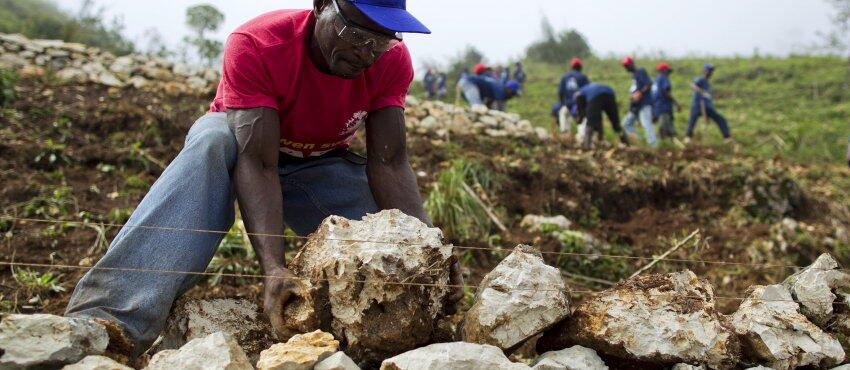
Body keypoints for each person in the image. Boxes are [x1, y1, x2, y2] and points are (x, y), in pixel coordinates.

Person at [65, 0, 463, 360]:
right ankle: (108, 321)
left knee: (394, 254)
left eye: (381, 41)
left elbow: (390, 163)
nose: (366, 52)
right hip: (242, 149)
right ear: (322, 5)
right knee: (210, 142)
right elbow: (258, 163)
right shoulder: (258, 43)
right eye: (356, 35)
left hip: (319, 163)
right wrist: (273, 268)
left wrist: (429, 248)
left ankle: (373, 343)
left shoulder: (388, 60)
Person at [573, 83, 629, 149]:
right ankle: (626, 143)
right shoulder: (588, 89)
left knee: (590, 123)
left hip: (595, 96)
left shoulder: (579, 94)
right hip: (610, 94)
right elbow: (598, 118)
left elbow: (580, 110)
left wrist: (580, 119)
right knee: (616, 123)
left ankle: (586, 146)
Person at [687, 64, 731, 140]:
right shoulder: (700, 79)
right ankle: (688, 137)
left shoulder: (708, 84)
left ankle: (727, 137)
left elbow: (708, 97)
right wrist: (700, 91)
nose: (710, 73)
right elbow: (692, 85)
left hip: (707, 106)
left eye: (711, 71)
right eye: (709, 71)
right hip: (697, 105)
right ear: (704, 71)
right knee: (692, 121)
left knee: (720, 119)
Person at [621, 56, 658, 147]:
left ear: (632, 64)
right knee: (626, 123)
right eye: (625, 66)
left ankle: (653, 145)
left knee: (646, 124)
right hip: (636, 105)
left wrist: (640, 93)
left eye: (628, 65)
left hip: (644, 103)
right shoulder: (634, 75)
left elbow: (648, 84)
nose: (627, 68)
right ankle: (639, 141)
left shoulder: (640, 71)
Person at [557, 57, 590, 134]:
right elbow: (587, 92)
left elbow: (560, 92)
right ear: (580, 67)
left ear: (572, 67)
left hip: (568, 104)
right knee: (582, 120)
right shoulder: (583, 77)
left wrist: (562, 104)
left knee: (563, 114)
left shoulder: (565, 77)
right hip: (579, 105)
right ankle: (581, 137)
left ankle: (564, 134)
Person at [651, 62, 681, 139]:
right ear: (663, 71)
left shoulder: (655, 81)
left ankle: (666, 144)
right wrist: (676, 103)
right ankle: (668, 146)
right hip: (664, 108)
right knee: (666, 129)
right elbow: (667, 92)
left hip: (657, 108)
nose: (669, 73)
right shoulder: (663, 78)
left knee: (664, 128)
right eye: (668, 71)